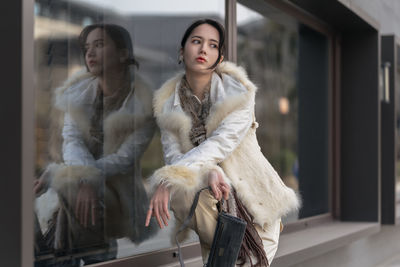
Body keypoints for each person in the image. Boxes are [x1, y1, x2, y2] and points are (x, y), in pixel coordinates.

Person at [145, 19, 300, 266]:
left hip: (256, 213)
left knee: (176, 178)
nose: (203, 49)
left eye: (213, 45)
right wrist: (209, 173)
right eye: (196, 41)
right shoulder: (168, 107)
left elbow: (220, 144)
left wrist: (168, 177)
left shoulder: (238, 95)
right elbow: (174, 158)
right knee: (181, 188)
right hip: (215, 220)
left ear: (220, 56)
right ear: (182, 50)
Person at [34, 23, 156, 266]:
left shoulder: (143, 104)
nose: (89, 53)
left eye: (99, 45)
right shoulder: (77, 94)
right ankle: (87, 257)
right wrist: (85, 178)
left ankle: (67, 258)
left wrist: (79, 176)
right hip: (81, 183)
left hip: (120, 191)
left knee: (66, 192)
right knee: (30, 200)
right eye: (87, 47)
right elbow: (71, 141)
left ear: (123, 54)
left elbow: (124, 159)